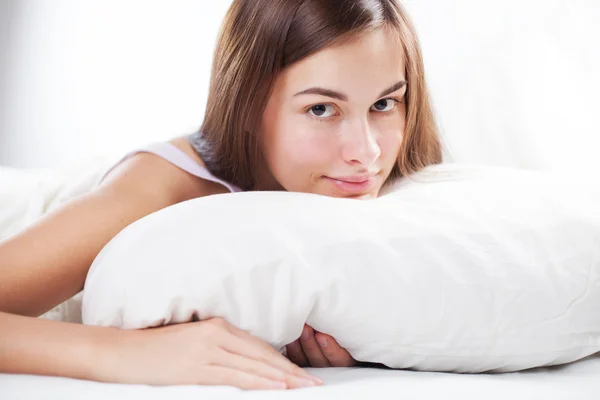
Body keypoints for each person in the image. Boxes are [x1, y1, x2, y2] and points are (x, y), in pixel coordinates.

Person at [0, 0, 442, 391]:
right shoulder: (159, 191)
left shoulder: (416, 183)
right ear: (248, 106)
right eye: (321, 109)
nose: (366, 152)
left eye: (384, 104)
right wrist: (121, 353)